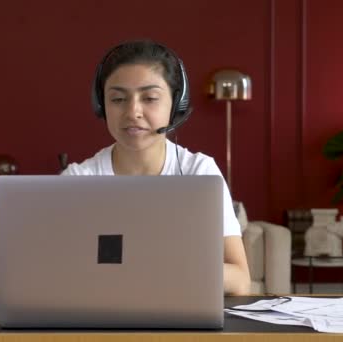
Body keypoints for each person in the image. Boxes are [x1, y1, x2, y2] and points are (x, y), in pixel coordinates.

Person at [62, 40, 251, 295]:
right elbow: (60, 273)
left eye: (150, 98)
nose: (133, 112)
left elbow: (240, 281)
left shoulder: (199, 172)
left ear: (176, 105)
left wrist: (157, 267)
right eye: (117, 99)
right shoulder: (77, 180)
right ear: (101, 105)